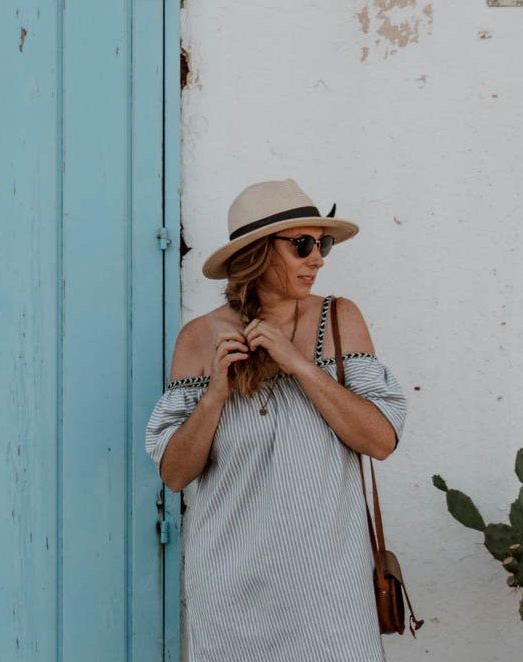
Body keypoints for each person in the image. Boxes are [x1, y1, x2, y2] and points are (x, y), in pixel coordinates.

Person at [145, 179, 409, 661]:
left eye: (322, 243)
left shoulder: (340, 318)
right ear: (257, 254)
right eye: (302, 245)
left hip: (331, 593)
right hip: (231, 593)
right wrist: (215, 396)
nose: (318, 259)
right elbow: (175, 473)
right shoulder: (199, 339)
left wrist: (299, 365)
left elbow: (380, 439)